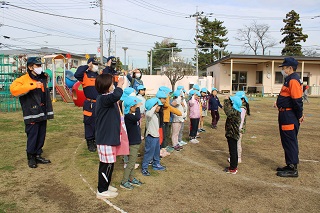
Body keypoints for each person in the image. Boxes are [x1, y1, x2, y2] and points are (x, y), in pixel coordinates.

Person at [10, 57, 53, 168]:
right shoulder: (24, 79)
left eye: (40, 65)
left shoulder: (42, 77)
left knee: (41, 134)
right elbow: (13, 89)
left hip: (42, 111)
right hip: (31, 112)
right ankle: (31, 157)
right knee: (33, 135)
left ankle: (38, 154)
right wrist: (32, 86)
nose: (39, 68)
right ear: (30, 67)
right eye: (37, 65)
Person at [95, 73, 124, 199]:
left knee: (110, 163)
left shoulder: (107, 98)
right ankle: (101, 190)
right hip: (105, 138)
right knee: (106, 164)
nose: (113, 85)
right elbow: (117, 94)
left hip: (109, 137)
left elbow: (116, 97)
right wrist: (120, 85)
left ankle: (106, 185)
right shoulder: (103, 98)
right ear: (107, 85)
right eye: (112, 83)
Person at [276, 57, 304, 178]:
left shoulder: (293, 80)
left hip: (289, 115)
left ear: (290, 68)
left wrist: (299, 115)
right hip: (284, 114)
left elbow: (297, 100)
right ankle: (289, 164)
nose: (283, 70)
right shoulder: (289, 79)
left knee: (290, 140)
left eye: (284, 67)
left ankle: (293, 167)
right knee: (286, 140)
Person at [74, 57, 101, 152]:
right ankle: (90, 141)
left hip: (99, 103)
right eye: (94, 64)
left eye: (97, 64)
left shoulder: (98, 76)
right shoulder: (84, 75)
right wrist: (87, 66)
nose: (96, 66)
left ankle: (97, 140)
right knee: (89, 122)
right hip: (89, 103)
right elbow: (77, 74)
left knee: (99, 122)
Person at [120, 96, 143, 190]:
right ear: (131, 107)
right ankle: (124, 181)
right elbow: (138, 117)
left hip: (135, 142)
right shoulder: (129, 117)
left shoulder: (131, 116)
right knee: (131, 163)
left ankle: (131, 178)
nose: (137, 108)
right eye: (135, 106)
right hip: (132, 143)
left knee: (133, 162)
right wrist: (138, 108)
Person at [141, 97, 165, 176]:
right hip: (151, 136)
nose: (159, 107)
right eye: (157, 106)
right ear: (152, 106)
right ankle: (144, 168)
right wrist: (154, 106)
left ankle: (156, 164)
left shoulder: (155, 114)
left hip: (156, 136)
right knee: (149, 153)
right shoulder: (149, 114)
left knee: (156, 152)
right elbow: (149, 114)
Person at [223, 95, 242, 174]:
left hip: (232, 134)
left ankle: (233, 168)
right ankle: (233, 166)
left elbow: (227, 111)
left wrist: (226, 101)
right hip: (231, 134)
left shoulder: (235, 112)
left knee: (233, 151)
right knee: (232, 151)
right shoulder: (236, 111)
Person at [234, 91, 248, 163]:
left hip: (239, 129)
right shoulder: (241, 107)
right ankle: (236, 156)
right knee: (236, 143)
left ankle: (238, 157)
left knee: (238, 143)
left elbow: (241, 120)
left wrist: (238, 128)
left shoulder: (242, 108)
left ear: (242, 99)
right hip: (238, 128)